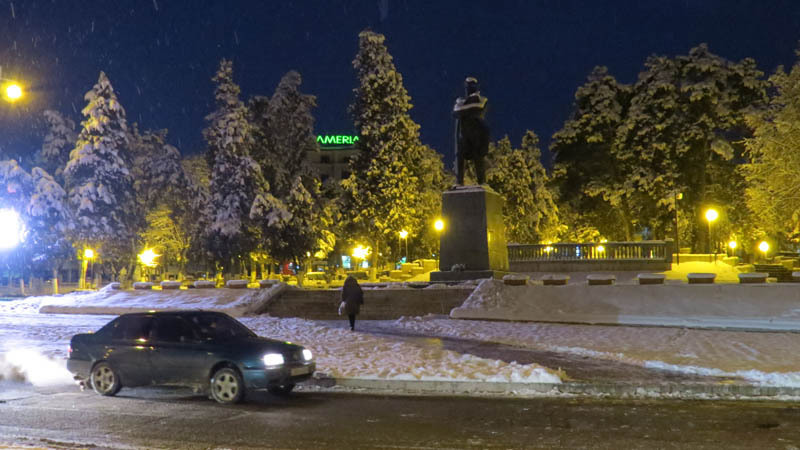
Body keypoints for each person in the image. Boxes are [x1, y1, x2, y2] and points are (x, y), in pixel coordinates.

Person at [453, 76, 490, 185]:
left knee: (478, 159)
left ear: (476, 86)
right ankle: (459, 182)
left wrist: (464, 111)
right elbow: (456, 111)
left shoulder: (482, 99)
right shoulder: (460, 101)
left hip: (477, 136)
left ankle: (482, 181)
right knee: (460, 158)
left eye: (471, 85)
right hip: (463, 136)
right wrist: (470, 109)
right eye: (467, 85)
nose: (469, 88)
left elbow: (480, 108)